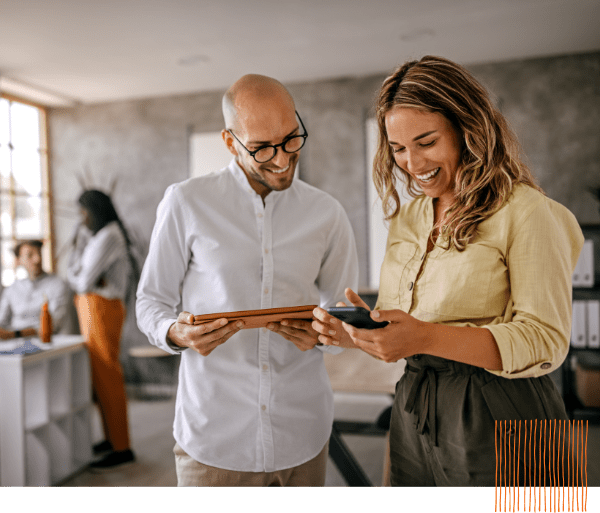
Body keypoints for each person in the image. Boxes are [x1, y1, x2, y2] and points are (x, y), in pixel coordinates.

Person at [312, 55, 585, 487]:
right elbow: (405, 324)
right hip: (417, 406)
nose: (412, 163)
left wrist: (424, 336)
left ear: (467, 129)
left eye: (426, 142)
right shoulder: (408, 219)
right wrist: (356, 333)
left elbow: (545, 340)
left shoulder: (527, 212)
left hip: (507, 406)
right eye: (398, 148)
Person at [136, 74, 359, 487]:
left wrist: (332, 332)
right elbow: (151, 302)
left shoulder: (327, 214)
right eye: (261, 148)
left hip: (303, 432)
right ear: (229, 141)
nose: (281, 158)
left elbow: (343, 312)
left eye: (292, 138)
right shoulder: (185, 202)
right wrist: (176, 333)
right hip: (215, 438)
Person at [67, 189, 138, 470]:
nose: (81, 219)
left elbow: (81, 280)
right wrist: (83, 276)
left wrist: (78, 275)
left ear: (94, 210)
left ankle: (122, 447)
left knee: (107, 375)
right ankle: (111, 439)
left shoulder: (108, 235)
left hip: (101, 309)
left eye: (83, 212)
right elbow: (83, 276)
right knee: (99, 376)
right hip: (94, 308)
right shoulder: (100, 236)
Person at [0, 240, 73, 340]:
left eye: (39, 254)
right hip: (13, 343)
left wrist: (15, 334)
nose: (37, 259)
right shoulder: (12, 289)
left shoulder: (58, 285)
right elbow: (2, 321)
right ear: (18, 260)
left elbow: (54, 324)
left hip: (48, 342)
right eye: (30, 255)